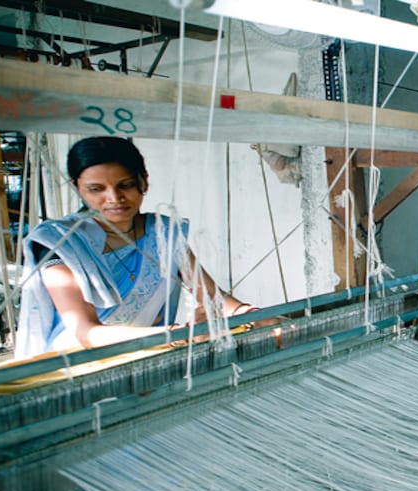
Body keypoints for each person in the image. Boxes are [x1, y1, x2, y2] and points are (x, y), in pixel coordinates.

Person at [15, 136, 258, 358]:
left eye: (126, 185)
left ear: (144, 182)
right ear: (78, 187)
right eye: (96, 189)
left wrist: (254, 316)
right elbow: (86, 333)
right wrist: (178, 334)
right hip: (76, 364)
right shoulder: (60, 241)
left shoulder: (164, 233)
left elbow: (213, 297)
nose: (114, 198)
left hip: (149, 354)